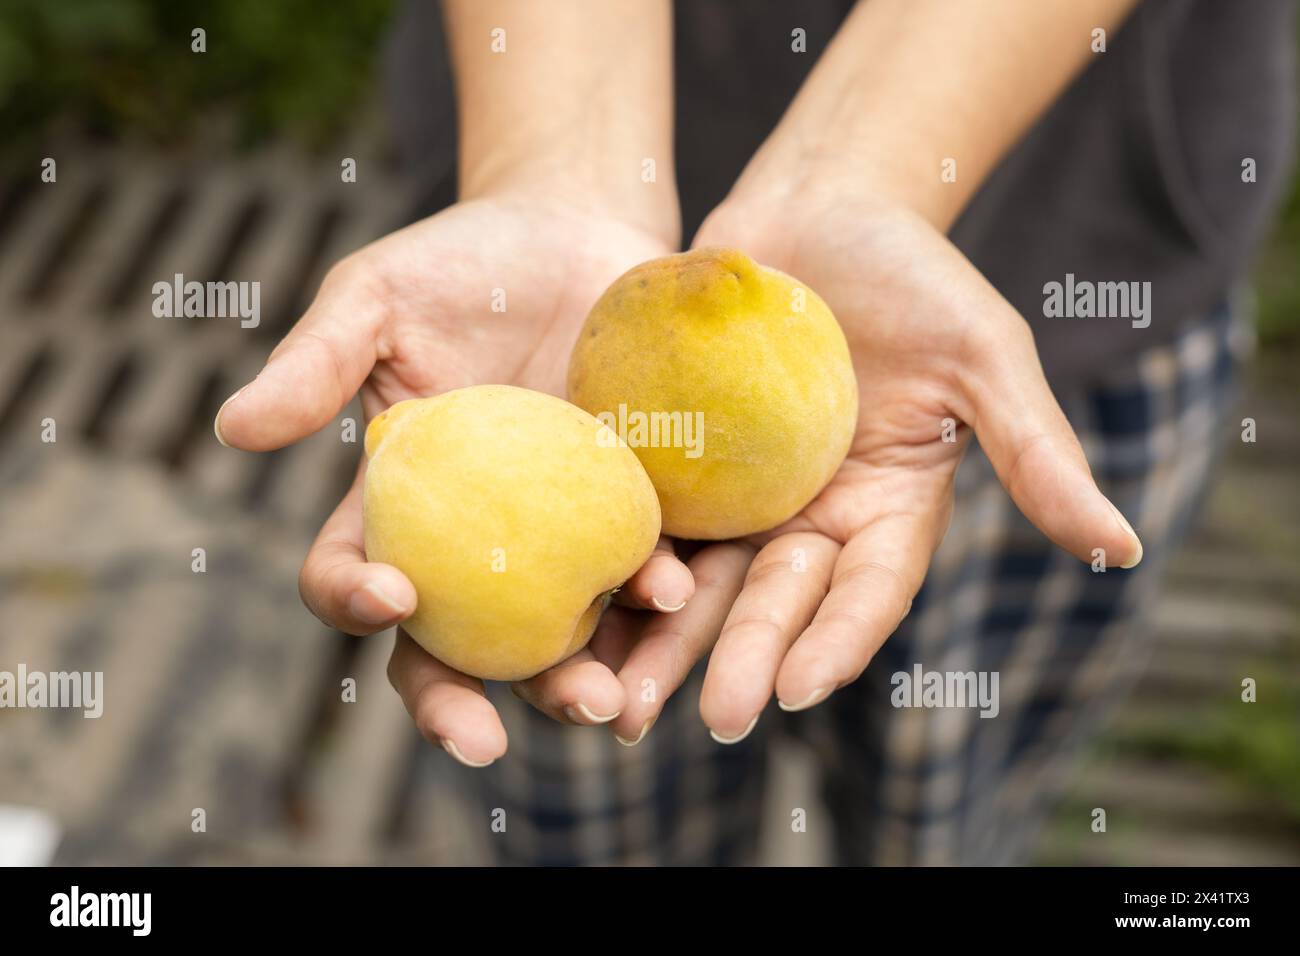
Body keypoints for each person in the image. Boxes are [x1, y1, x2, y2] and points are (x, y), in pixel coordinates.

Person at [213, 0, 1296, 864]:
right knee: (603, 823)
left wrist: (864, 177)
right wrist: (555, 167)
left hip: (1075, 260)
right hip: (535, 266)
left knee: (947, 818)